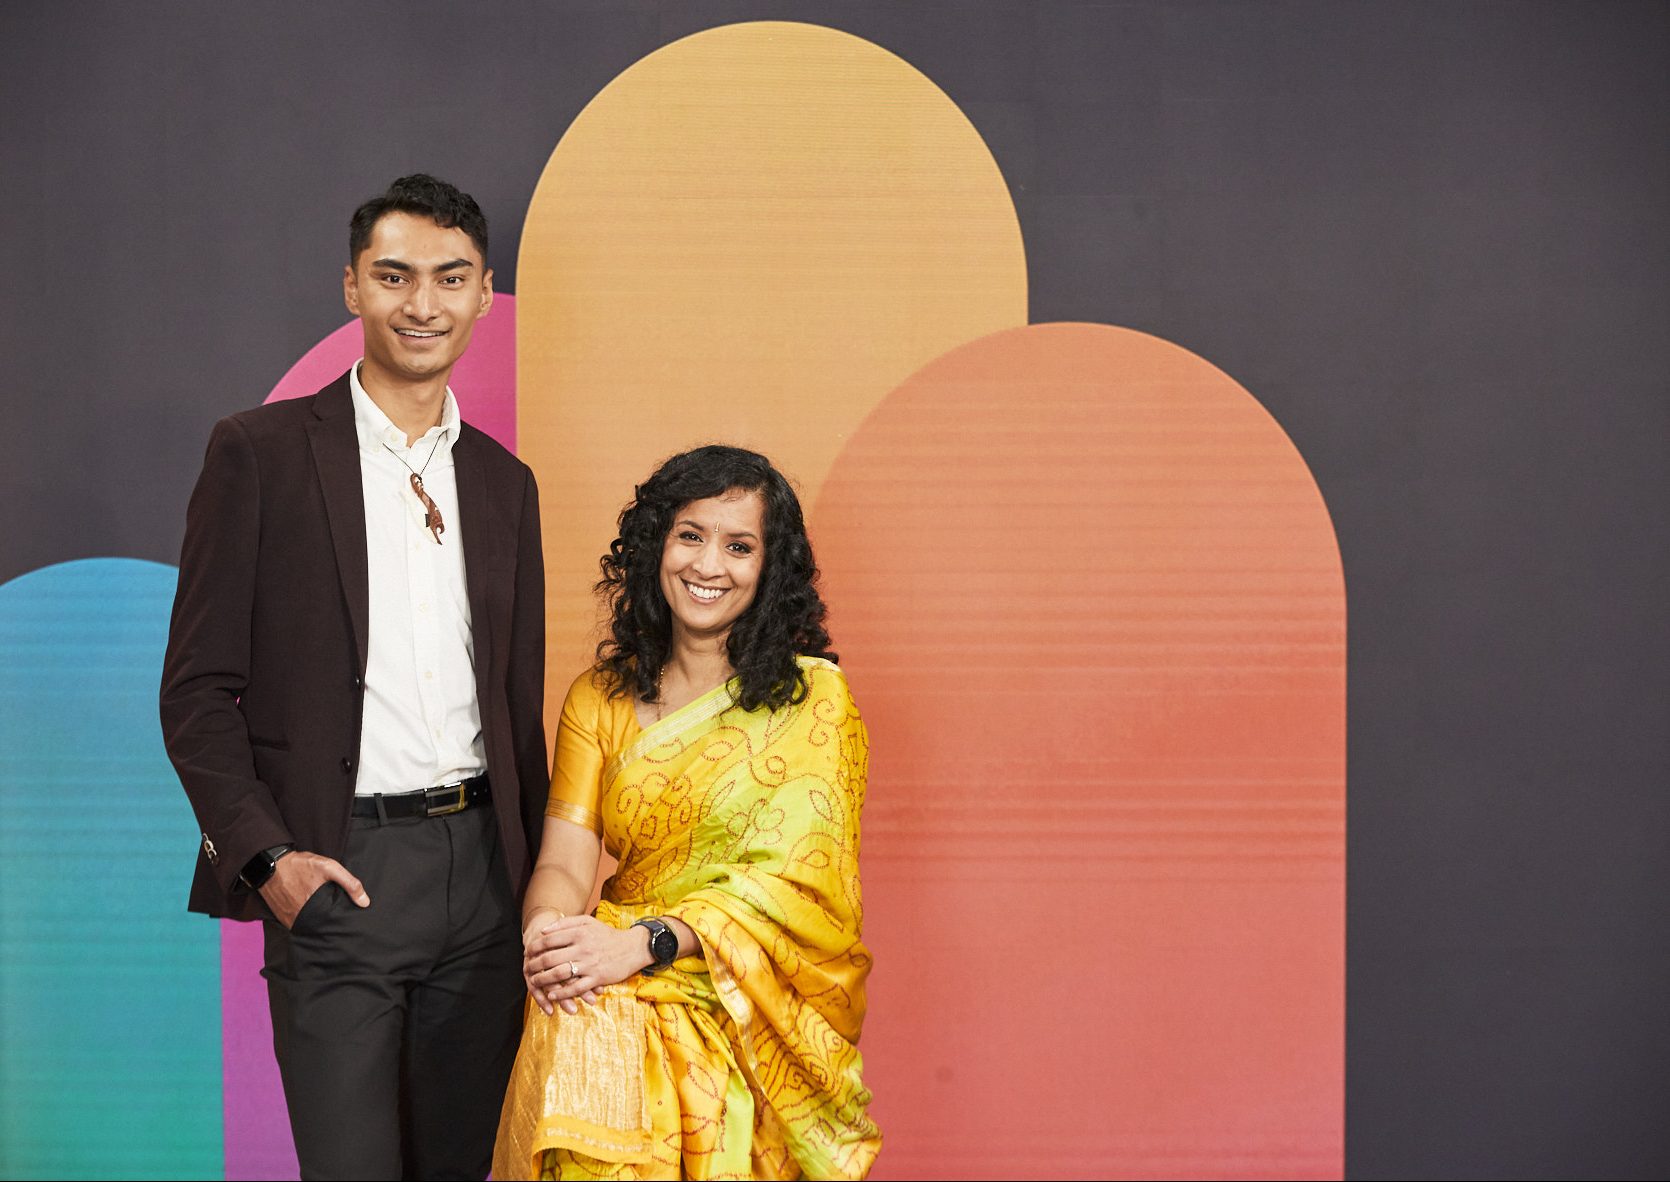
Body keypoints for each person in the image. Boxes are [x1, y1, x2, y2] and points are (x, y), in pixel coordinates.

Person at [160, 174, 548, 1180]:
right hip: (341, 872)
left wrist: (539, 886)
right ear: (351, 287)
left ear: (481, 292)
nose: (423, 303)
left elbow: (515, 716)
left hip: (486, 888)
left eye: (449, 278)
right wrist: (268, 861)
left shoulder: (506, 485)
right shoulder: (260, 453)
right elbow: (197, 691)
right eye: (395, 276)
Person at [493, 445, 881, 1180]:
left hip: (747, 996)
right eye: (690, 535)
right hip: (613, 974)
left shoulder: (815, 703)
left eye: (739, 546)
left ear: (770, 569)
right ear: (655, 546)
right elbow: (563, 861)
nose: (709, 565)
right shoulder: (598, 698)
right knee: (574, 1016)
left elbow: (803, 891)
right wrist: (549, 938)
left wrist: (649, 943)